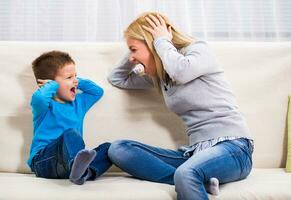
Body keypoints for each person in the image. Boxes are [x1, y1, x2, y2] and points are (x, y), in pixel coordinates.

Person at [107, 12, 253, 200]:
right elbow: (117, 78)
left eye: (133, 50)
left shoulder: (198, 50)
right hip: (196, 153)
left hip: (234, 148)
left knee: (186, 173)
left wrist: (158, 41)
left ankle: (192, 178)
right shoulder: (160, 78)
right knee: (119, 149)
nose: (131, 58)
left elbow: (181, 72)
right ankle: (199, 180)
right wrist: (137, 46)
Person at [27, 50, 111, 185]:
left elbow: (97, 92)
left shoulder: (79, 103)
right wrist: (53, 84)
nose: (75, 81)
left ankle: (83, 172)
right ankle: (77, 167)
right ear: (49, 84)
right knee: (71, 134)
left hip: (69, 165)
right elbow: (39, 97)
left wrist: (74, 80)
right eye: (69, 77)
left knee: (109, 149)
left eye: (75, 76)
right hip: (43, 161)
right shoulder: (44, 106)